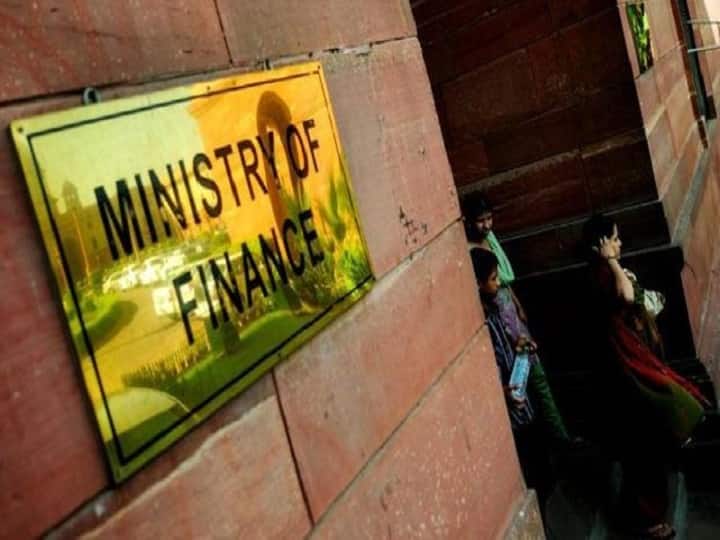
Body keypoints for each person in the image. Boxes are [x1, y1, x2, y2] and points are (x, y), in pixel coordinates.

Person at [583, 214, 710, 540]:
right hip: (627, 377)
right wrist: (611, 262)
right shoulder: (600, 275)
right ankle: (646, 521)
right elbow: (626, 297)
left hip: (634, 367)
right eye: (615, 239)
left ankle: (645, 515)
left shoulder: (607, 273)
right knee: (642, 453)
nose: (620, 244)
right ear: (601, 245)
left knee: (645, 451)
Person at [462, 194, 574, 446]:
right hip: (501, 325)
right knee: (521, 388)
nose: (487, 225)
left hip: (511, 314)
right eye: (481, 220)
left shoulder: (489, 239)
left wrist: (517, 303)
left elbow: (503, 278)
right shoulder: (469, 251)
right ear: (467, 221)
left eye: (489, 218)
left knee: (538, 379)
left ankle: (561, 437)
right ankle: (552, 441)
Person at [471, 247, 553, 503]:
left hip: (519, 392)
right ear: (477, 283)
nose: (498, 283)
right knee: (529, 459)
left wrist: (519, 347)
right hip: (508, 402)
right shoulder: (478, 321)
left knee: (537, 447)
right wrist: (501, 391)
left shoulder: (493, 308)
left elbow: (504, 346)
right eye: (493, 278)